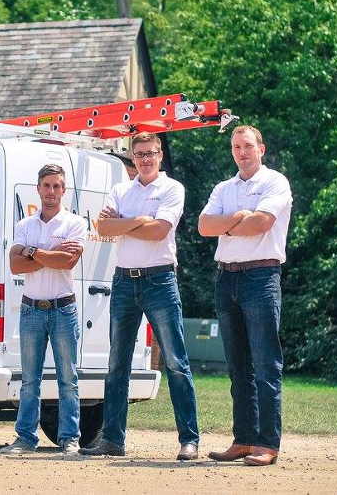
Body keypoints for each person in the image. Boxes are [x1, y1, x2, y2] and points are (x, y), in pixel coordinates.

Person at [81, 133, 200, 461]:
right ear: (132, 157)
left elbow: (159, 231)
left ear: (160, 155)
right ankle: (113, 440)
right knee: (117, 363)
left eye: (151, 153)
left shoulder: (172, 188)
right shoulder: (121, 189)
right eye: (139, 154)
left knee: (176, 362)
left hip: (159, 280)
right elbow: (103, 229)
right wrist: (139, 222)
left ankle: (189, 439)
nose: (145, 159)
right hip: (123, 282)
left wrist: (123, 223)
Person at [198, 125, 292, 467]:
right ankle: (244, 439)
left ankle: (268, 444)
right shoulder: (224, 187)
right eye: (236, 146)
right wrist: (238, 219)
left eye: (247, 146)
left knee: (266, 363)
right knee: (238, 367)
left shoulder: (275, 182)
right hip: (227, 277)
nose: (241, 152)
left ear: (261, 148)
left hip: (261, 276)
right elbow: (203, 226)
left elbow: (261, 224)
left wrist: (229, 222)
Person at [0, 164, 87, 456]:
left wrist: (34, 252)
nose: (51, 192)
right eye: (46, 185)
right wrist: (54, 253)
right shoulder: (24, 226)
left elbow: (68, 263)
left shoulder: (75, 224)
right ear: (38, 188)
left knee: (68, 379)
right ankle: (25, 438)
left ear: (64, 190)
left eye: (57, 186)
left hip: (63, 308)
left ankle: (69, 439)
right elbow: (15, 265)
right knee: (29, 380)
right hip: (31, 310)